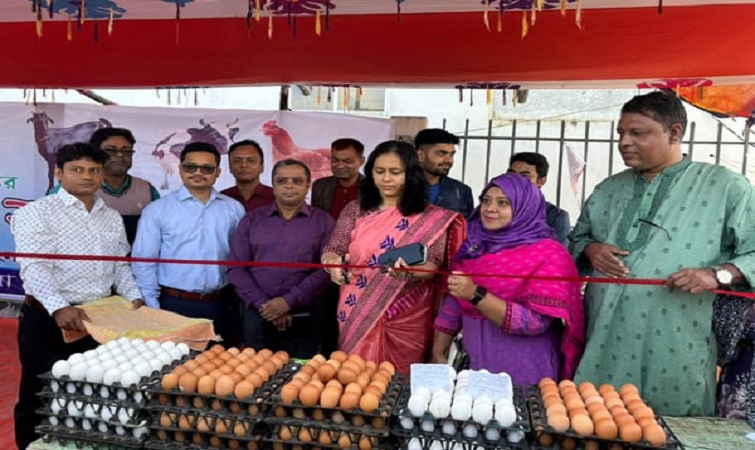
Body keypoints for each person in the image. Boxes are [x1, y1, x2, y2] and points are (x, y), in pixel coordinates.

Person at [571, 91, 755, 416]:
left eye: (637, 133)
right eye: (621, 133)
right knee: (597, 419)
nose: (624, 142)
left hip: (678, 342)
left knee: (672, 426)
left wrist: (715, 275)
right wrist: (592, 249)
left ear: (674, 133)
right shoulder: (608, 189)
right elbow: (576, 239)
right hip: (605, 338)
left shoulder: (726, 187)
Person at [11, 143, 144, 450]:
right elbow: (35, 267)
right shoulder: (36, 212)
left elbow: (119, 265)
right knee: (40, 390)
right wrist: (59, 308)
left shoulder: (110, 216)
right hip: (48, 318)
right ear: (59, 173)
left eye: (94, 170)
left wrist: (134, 297)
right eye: (77, 170)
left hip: (98, 318)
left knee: (90, 391)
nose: (87, 176)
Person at [321, 140, 466, 375]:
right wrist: (332, 264)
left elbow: (433, 264)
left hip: (407, 311)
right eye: (380, 171)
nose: (386, 179)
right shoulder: (355, 210)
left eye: (395, 172)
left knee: (399, 381)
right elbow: (334, 248)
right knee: (354, 376)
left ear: (410, 174)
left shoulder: (431, 218)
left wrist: (408, 272)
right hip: (357, 306)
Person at [431, 173, 584, 385]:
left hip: (525, 364)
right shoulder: (475, 245)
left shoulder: (549, 254)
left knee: (520, 406)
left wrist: (476, 295)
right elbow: (455, 298)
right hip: (476, 361)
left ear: (524, 208)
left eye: (502, 203)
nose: (490, 208)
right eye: (486, 200)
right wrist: (438, 352)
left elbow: (536, 322)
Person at [132, 142, 245, 342]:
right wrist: (153, 307)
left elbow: (241, 257)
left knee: (222, 359)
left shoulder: (234, 209)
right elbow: (144, 261)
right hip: (174, 304)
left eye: (206, 168)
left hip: (222, 303)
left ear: (218, 172)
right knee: (176, 361)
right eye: (191, 167)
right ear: (180, 169)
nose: (198, 173)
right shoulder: (158, 210)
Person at [228, 160, 335, 358]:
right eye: (282, 181)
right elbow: (236, 268)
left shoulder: (324, 221)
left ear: (308, 185)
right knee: (256, 372)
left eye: (297, 181)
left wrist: (288, 302)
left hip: (306, 314)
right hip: (258, 313)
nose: (289, 186)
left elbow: (326, 270)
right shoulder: (251, 220)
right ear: (273, 185)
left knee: (302, 373)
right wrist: (266, 306)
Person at [50, 128, 160, 244]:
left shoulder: (147, 190)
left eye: (126, 150)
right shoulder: (67, 190)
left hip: (135, 254)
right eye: (111, 150)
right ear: (95, 153)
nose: (120, 155)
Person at [508, 152, 571, 246]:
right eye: (512, 174)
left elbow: (558, 253)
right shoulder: (492, 209)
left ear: (541, 181)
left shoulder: (555, 217)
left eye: (525, 176)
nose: (515, 180)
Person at [415, 128, 474, 217]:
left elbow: (467, 224)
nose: (449, 160)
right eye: (441, 153)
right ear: (420, 156)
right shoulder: (401, 188)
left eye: (451, 154)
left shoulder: (461, 191)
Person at [311, 138, 366, 219]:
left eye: (347, 161)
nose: (340, 166)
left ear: (361, 161)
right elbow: (315, 219)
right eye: (335, 160)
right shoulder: (320, 186)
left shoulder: (373, 188)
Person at [221, 139, 275, 212]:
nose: (244, 165)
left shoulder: (276, 197)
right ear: (230, 167)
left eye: (251, 160)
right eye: (237, 161)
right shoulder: (221, 199)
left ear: (262, 166)